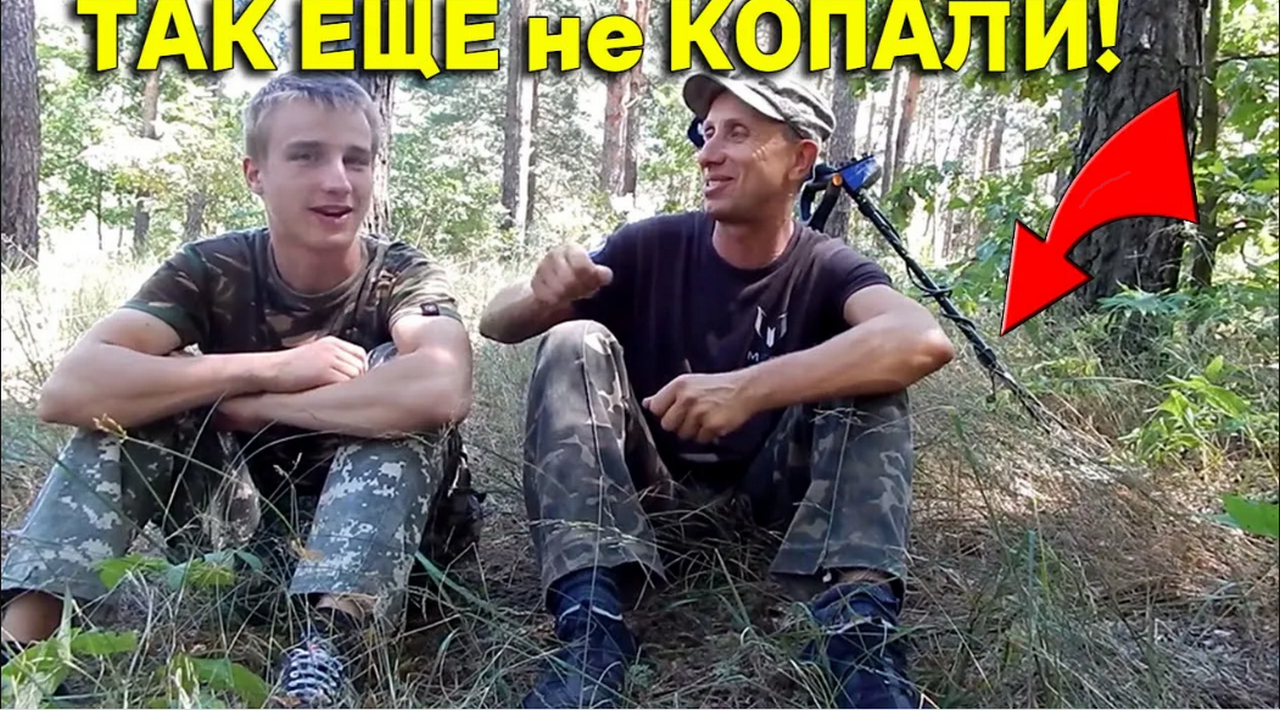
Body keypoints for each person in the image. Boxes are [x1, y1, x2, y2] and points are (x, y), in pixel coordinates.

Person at [479, 69, 955, 708]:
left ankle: (857, 635)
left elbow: (922, 339)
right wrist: (542, 294)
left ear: (800, 160)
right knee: (572, 341)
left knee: (872, 374)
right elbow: (496, 323)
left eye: (737, 133)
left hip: (775, 504)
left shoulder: (827, 265)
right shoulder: (651, 245)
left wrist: (749, 389)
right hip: (650, 495)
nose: (708, 153)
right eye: (707, 134)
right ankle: (591, 625)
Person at [0, 72, 479, 708]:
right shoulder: (211, 268)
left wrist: (253, 409)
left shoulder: (400, 273)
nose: (338, 181)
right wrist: (266, 368)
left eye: (356, 160)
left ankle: (324, 660)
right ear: (255, 174)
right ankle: (20, 654)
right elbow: (69, 390)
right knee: (137, 398)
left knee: (396, 377)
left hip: (396, 549)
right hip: (246, 538)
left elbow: (442, 387)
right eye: (306, 156)